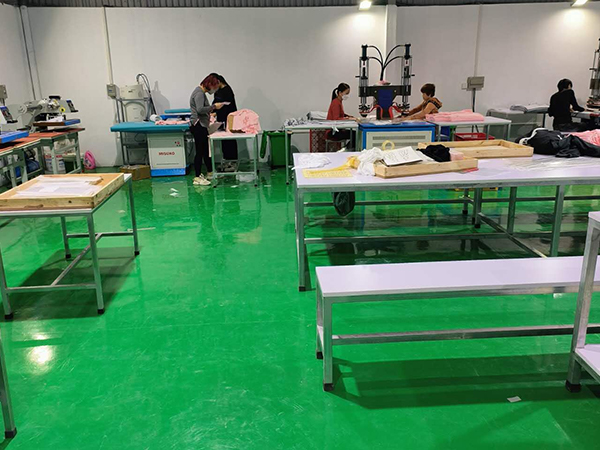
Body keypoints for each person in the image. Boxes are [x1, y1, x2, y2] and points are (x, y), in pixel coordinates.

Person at [190, 74, 225, 186]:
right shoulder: (199, 93)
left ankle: (210, 172)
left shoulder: (200, 93)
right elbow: (200, 109)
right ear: (209, 84)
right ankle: (197, 176)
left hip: (202, 125)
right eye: (214, 87)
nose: (214, 90)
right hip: (198, 125)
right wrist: (214, 107)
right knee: (200, 151)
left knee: (205, 150)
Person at [211, 73, 238, 172]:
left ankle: (232, 162)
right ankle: (226, 161)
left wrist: (215, 112)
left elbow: (224, 105)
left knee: (230, 141)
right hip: (221, 119)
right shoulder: (219, 91)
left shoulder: (227, 91)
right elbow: (215, 104)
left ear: (218, 82)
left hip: (229, 119)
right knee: (224, 141)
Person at [326, 83, 357, 149]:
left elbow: (341, 114)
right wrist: (349, 119)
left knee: (355, 134)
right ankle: (347, 149)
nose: (347, 95)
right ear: (340, 93)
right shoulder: (335, 102)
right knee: (355, 134)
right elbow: (336, 119)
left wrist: (349, 117)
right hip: (333, 132)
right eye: (346, 93)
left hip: (337, 129)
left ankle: (347, 148)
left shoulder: (339, 102)